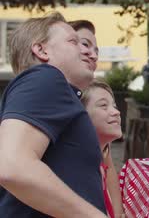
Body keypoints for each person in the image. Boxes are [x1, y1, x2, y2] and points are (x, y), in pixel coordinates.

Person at [0, 12, 107, 217]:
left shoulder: (51, 88)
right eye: (74, 42)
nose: (89, 53)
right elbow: (12, 166)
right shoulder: (45, 77)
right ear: (41, 50)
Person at [69, 19, 125, 218]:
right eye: (85, 45)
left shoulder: (101, 144)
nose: (92, 54)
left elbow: (108, 170)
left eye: (96, 50)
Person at [81, 80, 124, 218]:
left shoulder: (103, 151)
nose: (116, 112)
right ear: (81, 116)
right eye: (104, 106)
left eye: (114, 106)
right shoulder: (80, 168)